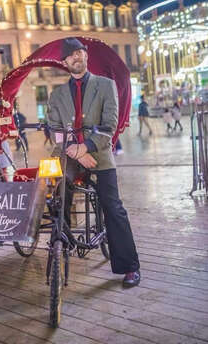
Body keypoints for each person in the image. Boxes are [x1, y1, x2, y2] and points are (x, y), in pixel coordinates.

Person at [47, 37, 141, 288]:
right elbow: (53, 130)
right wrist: (75, 151)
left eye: (79, 52)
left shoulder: (106, 85)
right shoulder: (56, 95)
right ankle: (61, 248)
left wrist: (87, 147)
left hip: (99, 155)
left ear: (85, 56)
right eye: (71, 55)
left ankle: (129, 266)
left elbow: (109, 126)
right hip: (70, 157)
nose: (76, 57)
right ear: (65, 62)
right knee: (59, 196)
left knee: (113, 207)